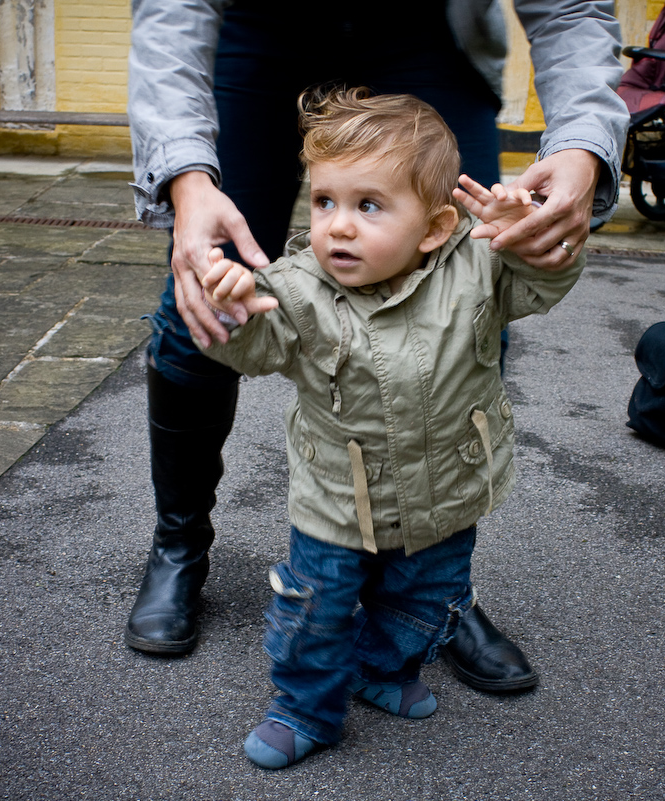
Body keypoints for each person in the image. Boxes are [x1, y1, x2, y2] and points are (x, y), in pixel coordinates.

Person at [125, 0, 630, 692]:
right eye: (326, 209)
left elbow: (570, 8)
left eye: (353, 212)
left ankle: (432, 588)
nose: (337, 225)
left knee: (468, 295)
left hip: (429, 32)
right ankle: (179, 544)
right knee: (202, 300)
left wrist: (581, 145)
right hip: (251, 29)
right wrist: (186, 177)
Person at [196, 87, 585, 769]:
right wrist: (231, 315)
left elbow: (541, 286)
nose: (338, 226)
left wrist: (529, 243)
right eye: (325, 202)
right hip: (336, 501)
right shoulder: (296, 286)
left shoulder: (477, 267)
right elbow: (256, 350)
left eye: (367, 205)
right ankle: (304, 706)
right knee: (313, 610)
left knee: (424, 599)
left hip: (446, 491)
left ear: (434, 227)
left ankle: (381, 668)